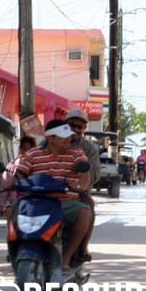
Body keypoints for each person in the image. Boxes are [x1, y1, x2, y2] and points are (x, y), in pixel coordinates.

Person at [15, 119, 92, 272]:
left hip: (65, 202)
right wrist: (17, 183)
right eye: (63, 136)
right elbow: (20, 173)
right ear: (50, 138)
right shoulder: (33, 154)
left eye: (68, 136)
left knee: (84, 213)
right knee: (12, 210)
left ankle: (67, 257)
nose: (68, 139)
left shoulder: (76, 154)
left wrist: (80, 186)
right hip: (36, 202)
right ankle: (16, 247)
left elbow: (84, 174)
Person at [65, 108, 99, 259]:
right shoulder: (51, 142)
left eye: (79, 127)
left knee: (88, 210)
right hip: (48, 191)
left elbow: (94, 174)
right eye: (72, 125)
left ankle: (82, 248)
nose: (75, 129)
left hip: (77, 193)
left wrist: (79, 184)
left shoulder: (88, 149)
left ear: (84, 129)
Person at [0, 135, 37, 218]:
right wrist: (1, 205)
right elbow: (5, 188)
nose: (27, 152)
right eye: (25, 149)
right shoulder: (12, 165)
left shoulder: (39, 165)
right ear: (20, 149)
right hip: (16, 203)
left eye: (30, 150)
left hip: (34, 202)